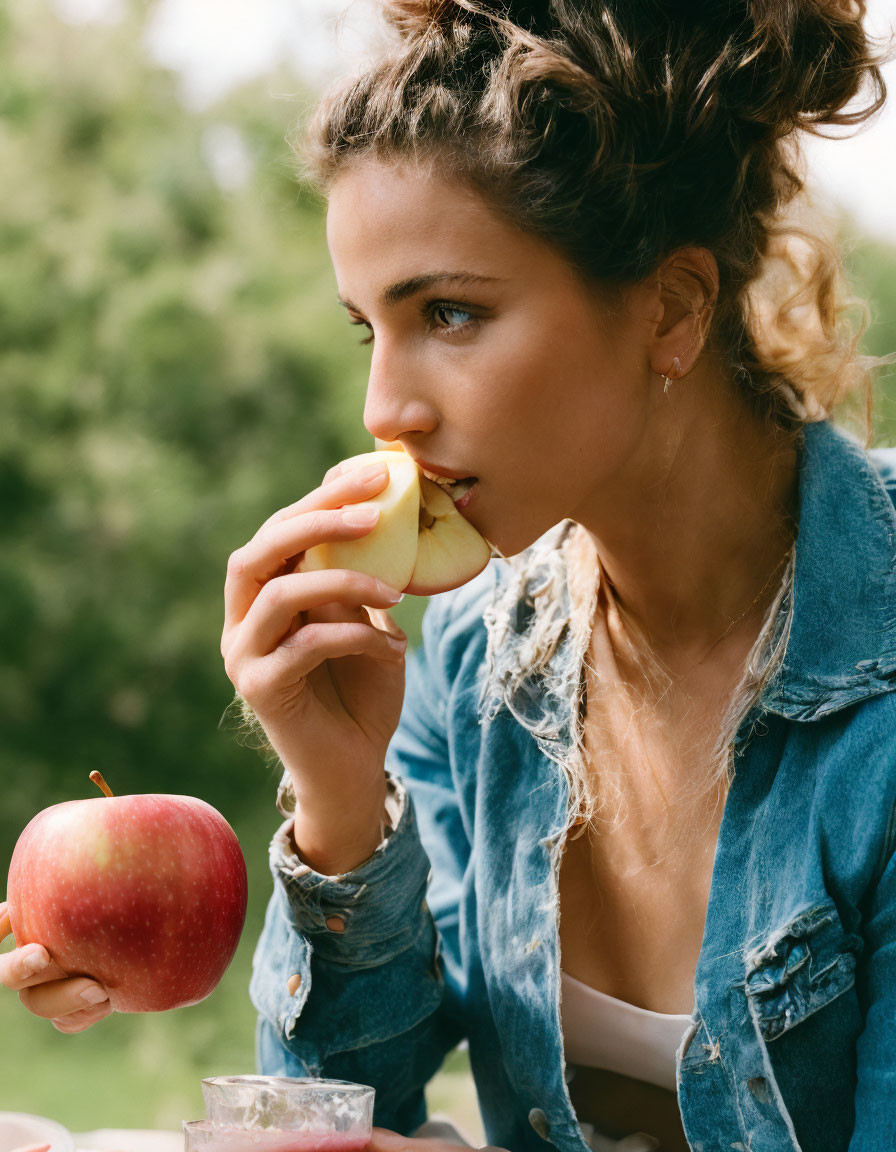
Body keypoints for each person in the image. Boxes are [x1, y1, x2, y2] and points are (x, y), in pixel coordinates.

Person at [3, 1, 896, 1149]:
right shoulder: (478, 654)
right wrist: (336, 800)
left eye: (451, 312)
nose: (386, 410)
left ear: (670, 307)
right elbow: (331, 1115)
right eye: (367, 331)